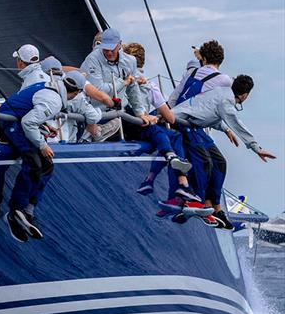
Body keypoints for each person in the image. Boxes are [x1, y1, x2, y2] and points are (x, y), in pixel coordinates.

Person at [0, 72, 90, 242]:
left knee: (47, 166)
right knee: (33, 162)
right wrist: (43, 145)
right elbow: (28, 122)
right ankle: (15, 209)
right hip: (10, 123)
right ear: (76, 92)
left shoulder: (50, 86)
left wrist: (45, 125)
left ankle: (28, 209)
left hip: (15, 120)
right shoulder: (55, 99)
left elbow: (30, 111)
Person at [172, 75, 276, 228]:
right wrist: (256, 148)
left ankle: (215, 207)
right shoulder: (226, 101)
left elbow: (209, 113)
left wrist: (226, 129)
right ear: (245, 95)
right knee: (205, 161)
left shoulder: (223, 92)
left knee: (220, 162)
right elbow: (238, 124)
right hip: (179, 124)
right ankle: (195, 201)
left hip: (194, 126)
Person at [120, 42, 198, 206]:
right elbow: (170, 117)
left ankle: (165, 182)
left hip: (133, 126)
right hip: (135, 126)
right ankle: (176, 177)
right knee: (166, 133)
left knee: (173, 135)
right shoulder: (149, 85)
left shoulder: (121, 81)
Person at [80, 28, 157, 126]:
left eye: (112, 49)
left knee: (158, 133)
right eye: (105, 49)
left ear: (119, 44)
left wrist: (140, 113)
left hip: (122, 111)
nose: (108, 52)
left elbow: (133, 89)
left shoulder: (130, 61)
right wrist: (123, 83)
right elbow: (98, 90)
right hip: (99, 113)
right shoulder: (92, 60)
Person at [168, 40, 232, 107]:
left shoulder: (191, 72)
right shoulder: (225, 80)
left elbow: (173, 99)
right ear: (221, 60)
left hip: (178, 113)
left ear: (204, 59)